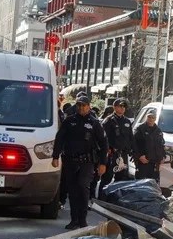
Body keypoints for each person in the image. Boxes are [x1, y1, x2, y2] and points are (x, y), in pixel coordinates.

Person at [52, 94, 107, 230]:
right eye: (79, 105)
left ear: (88, 106)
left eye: (84, 105)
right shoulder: (69, 121)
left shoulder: (94, 123)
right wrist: (55, 156)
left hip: (86, 162)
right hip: (70, 161)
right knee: (72, 190)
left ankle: (82, 220)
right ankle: (74, 220)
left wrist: (102, 163)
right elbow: (60, 139)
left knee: (83, 187)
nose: (81, 108)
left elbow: (104, 143)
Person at [100, 98, 133, 191]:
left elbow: (131, 137)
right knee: (107, 178)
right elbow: (103, 138)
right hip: (111, 154)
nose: (122, 108)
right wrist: (107, 149)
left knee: (122, 179)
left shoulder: (127, 121)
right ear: (115, 107)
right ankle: (102, 199)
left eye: (124, 107)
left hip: (123, 154)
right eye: (120, 106)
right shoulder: (108, 120)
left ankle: (116, 199)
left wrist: (131, 150)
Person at [133, 110, 167, 183]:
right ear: (146, 117)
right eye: (149, 117)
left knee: (152, 183)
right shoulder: (140, 129)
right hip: (143, 161)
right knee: (140, 183)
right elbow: (134, 144)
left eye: (153, 117)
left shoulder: (158, 131)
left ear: (155, 118)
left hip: (155, 162)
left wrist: (163, 156)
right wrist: (139, 156)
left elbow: (161, 145)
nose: (151, 119)